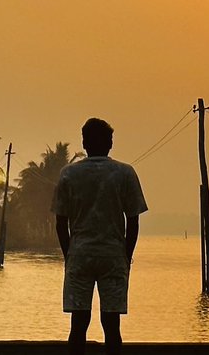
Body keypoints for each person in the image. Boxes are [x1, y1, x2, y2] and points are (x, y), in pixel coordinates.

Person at [52, 117, 149, 355]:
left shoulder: (69, 174)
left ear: (84, 143)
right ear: (110, 144)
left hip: (80, 254)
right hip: (113, 255)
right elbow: (133, 221)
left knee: (78, 324)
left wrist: (69, 255)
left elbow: (60, 222)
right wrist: (126, 256)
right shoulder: (125, 173)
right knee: (112, 325)